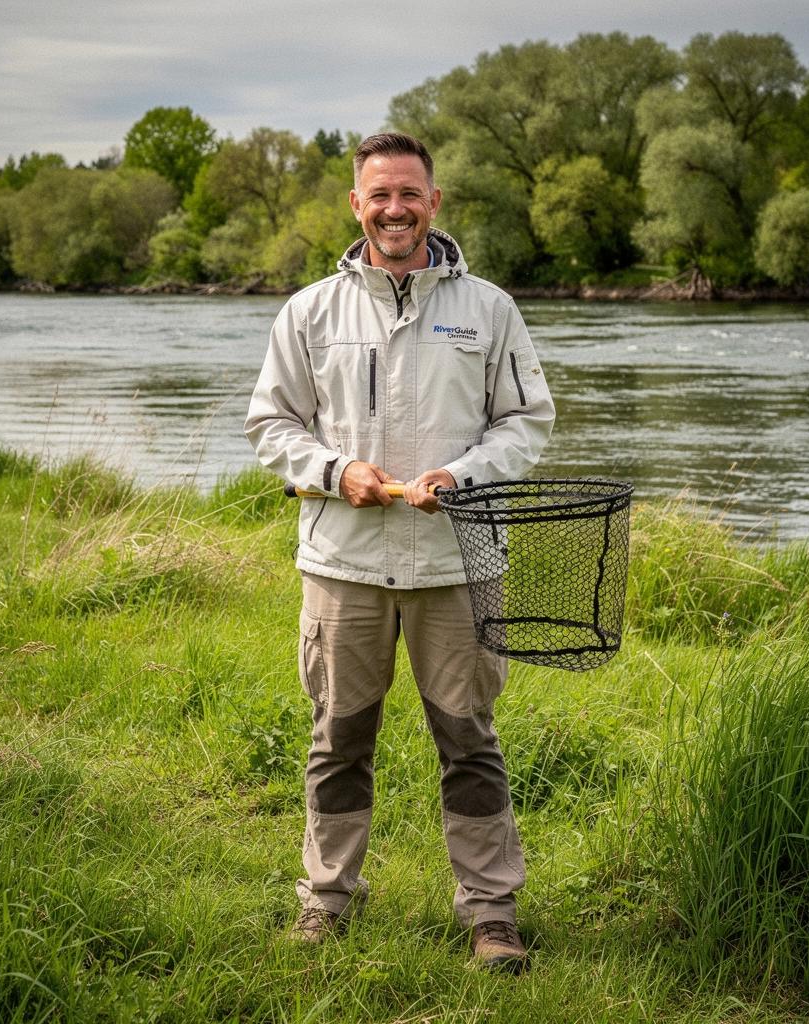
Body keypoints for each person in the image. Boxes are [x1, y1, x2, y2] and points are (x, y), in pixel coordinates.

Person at [244, 132, 554, 971]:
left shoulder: (490, 309)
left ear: (434, 202)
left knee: (470, 740)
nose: (394, 208)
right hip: (343, 563)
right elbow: (271, 425)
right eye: (378, 194)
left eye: (408, 193)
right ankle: (327, 902)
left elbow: (527, 422)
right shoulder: (309, 311)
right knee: (338, 736)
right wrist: (334, 470)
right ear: (356, 205)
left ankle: (491, 916)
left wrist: (459, 474)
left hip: (461, 565)